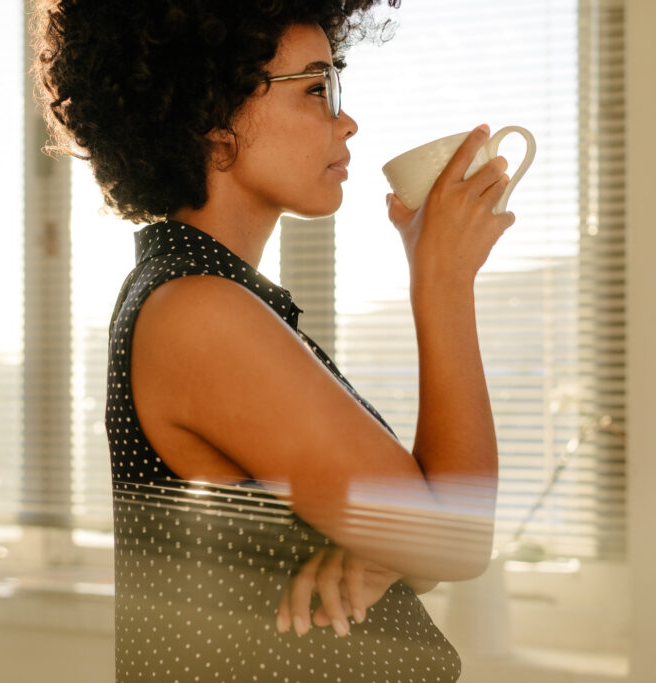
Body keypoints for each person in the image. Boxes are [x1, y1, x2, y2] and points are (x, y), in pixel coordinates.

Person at [32, 2, 514, 680]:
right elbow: (456, 537)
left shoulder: (208, 297)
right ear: (214, 118)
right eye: (316, 89)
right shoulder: (198, 312)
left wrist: (390, 551)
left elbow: (430, 541)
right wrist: (442, 282)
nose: (346, 121)